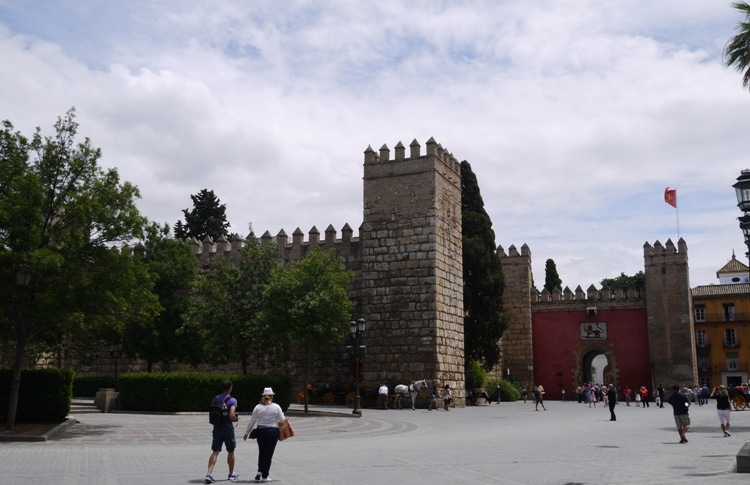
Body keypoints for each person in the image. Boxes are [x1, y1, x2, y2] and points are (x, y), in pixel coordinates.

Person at [243, 387, 286, 483]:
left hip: (261, 431)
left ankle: (260, 471)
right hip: (272, 431)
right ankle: (265, 476)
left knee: (262, 452)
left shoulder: (257, 407)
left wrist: (246, 433)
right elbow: (282, 419)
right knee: (268, 454)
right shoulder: (276, 407)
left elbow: (252, 422)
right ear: (272, 396)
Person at [205, 379, 240, 483]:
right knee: (231, 451)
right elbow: (232, 415)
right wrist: (236, 418)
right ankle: (231, 474)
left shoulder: (215, 399)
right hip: (228, 429)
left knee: (215, 451)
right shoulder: (233, 400)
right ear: (230, 388)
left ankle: (209, 474)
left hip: (217, 428)